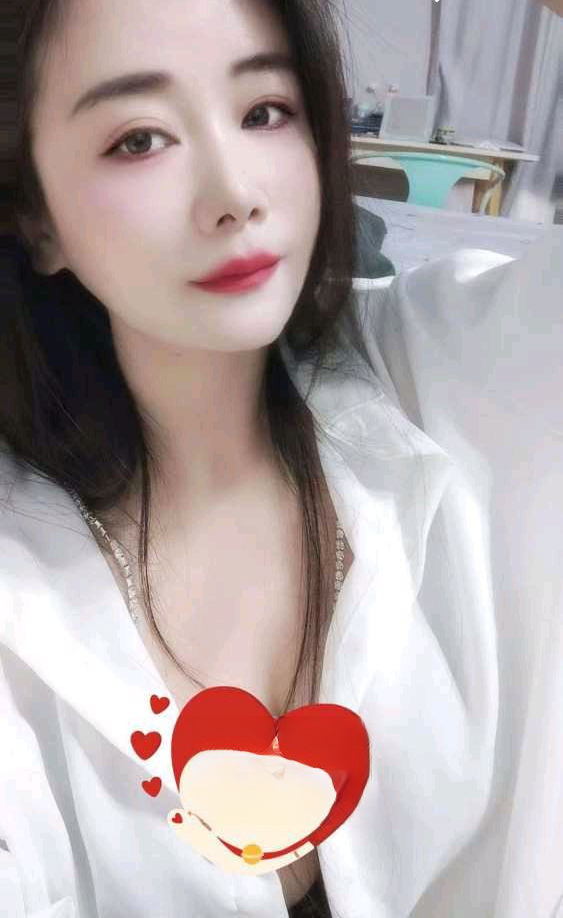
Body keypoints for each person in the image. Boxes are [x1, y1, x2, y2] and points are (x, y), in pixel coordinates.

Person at [0, 1, 561, 917]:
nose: (235, 193)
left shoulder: (446, 367)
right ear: (36, 219)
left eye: (265, 111)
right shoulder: (21, 589)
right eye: (139, 139)